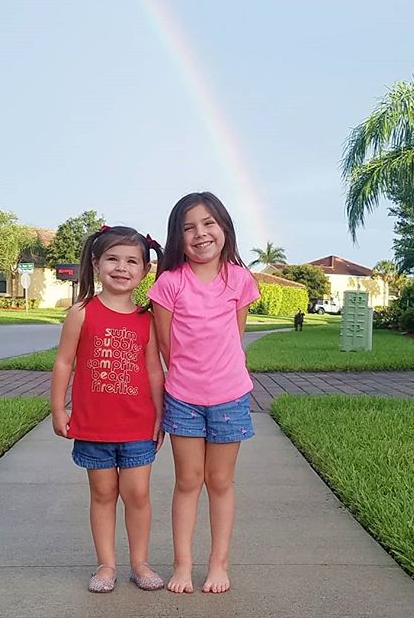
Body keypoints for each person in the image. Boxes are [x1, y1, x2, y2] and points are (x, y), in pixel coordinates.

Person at [148, 192, 260, 595]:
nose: (200, 233)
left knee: (220, 481)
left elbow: (237, 334)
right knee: (188, 481)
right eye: (189, 227)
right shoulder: (168, 284)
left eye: (209, 223)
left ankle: (219, 563)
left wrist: (218, 376)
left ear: (224, 228)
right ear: (178, 237)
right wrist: (189, 383)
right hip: (184, 398)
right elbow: (165, 346)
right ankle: (183, 565)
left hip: (230, 397)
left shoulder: (240, 279)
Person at [50, 225, 166, 593]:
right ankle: (106, 565)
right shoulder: (82, 312)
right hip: (93, 427)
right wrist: (58, 408)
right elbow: (64, 364)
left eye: (132, 261)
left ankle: (140, 563)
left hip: (137, 426)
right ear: (96, 263)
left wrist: (161, 414)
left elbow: (153, 370)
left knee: (138, 495)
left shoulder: (146, 319)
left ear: (145, 271)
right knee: (102, 495)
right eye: (113, 259)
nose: (122, 267)